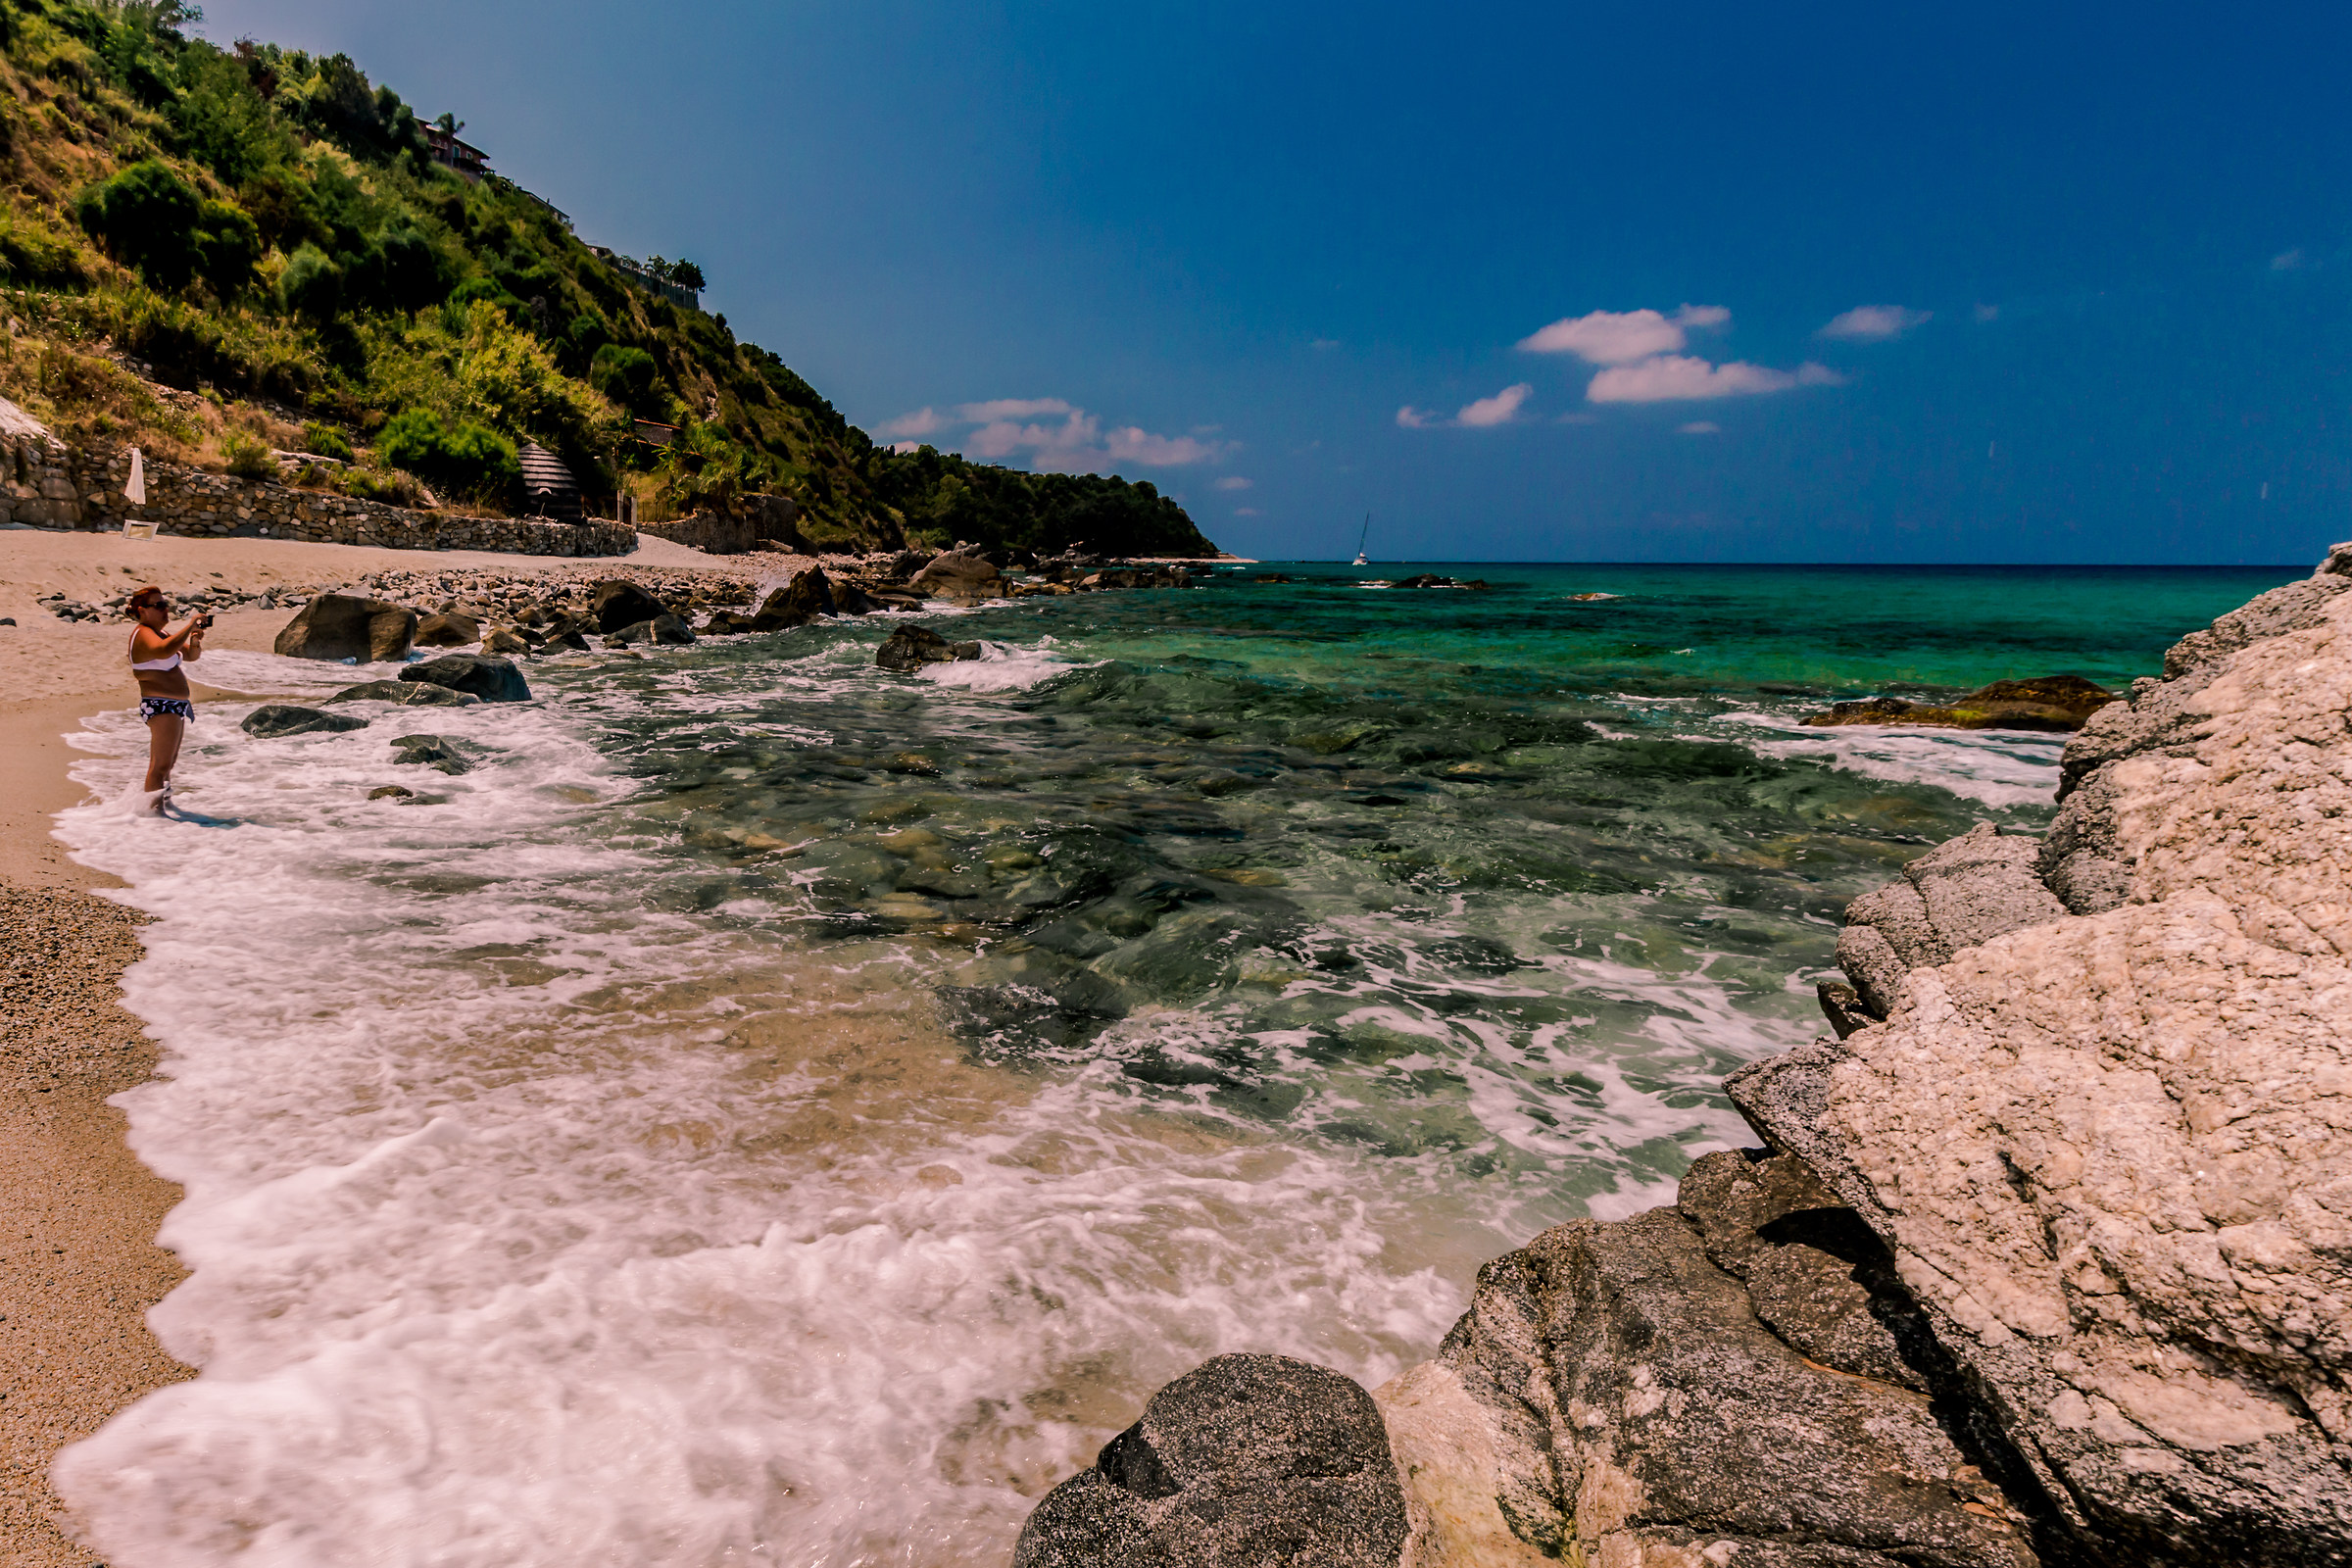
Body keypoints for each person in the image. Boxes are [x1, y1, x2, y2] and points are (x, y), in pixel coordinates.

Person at [124, 584, 206, 810]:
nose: (165, 610)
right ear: (142, 610)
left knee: (169, 764)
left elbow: (190, 655)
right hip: (160, 704)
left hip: (176, 705)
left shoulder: (161, 633)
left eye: (165, 605)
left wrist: (196, 639)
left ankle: (165, 808)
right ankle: (153, 814)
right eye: (158, 605)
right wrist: (189, 626)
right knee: (159, 766)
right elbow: (162, 651)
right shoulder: (142, 633)